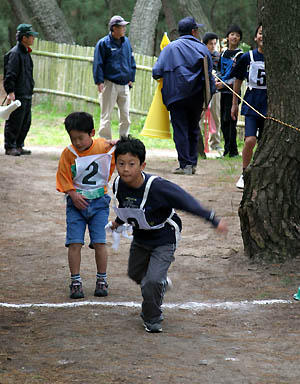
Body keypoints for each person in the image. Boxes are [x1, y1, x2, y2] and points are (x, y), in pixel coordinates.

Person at [110, 135, 228, 333]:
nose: (126, 169)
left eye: (132, 164)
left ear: (143, 165)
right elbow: (128, 207)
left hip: (164, 237)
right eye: (121, 163)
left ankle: (152, 318)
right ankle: (160, 284)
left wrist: (212, 219)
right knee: (135, 274)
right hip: (141, 237)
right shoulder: (118, 185)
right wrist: (117, 223)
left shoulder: (157, 187)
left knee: (153, 281)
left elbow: (186, 201)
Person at [56, 112, 116, 299]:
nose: (77, 142)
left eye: (81, 138)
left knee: (100, 242)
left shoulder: (104, 147)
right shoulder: (69, 153)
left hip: (99, 203)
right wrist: (72, 194)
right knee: (74, 243)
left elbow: (124, 152)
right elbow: (63, 176)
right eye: (73, 139)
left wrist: (119, 143)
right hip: (76, 205)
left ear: (92, 133)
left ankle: (102, 279)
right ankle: (75, 281)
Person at [152, 16, 215, 175]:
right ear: (193, 31)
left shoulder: (170, 48)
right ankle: (192, 164)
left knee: (180, 129)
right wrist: (209, 96)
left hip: (175, 96)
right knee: (193, 128)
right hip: (196, 97)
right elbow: (209, 77)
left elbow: (156, 72)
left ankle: (185, 164)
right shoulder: (202, 49)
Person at [231, 23, 266, 190]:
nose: (262, 37)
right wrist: (234, 104)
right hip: (252, 103)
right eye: (260, 33)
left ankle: (263, 175)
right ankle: (245, 174)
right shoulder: (248, 57)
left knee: (265, 142)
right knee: (250, 140)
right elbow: (237, 79)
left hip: (270, 106)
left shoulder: (276, 59)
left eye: (266, 34)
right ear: (255, 37)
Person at [93, 15, 136, 140]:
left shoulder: (126, 42)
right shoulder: (103, 44)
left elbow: (131, 60)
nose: (124, 29)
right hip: (109, 83)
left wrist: (131, 78)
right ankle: (105, 141)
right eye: (122, 26)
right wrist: (99, 82)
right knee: (106, 115)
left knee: (125, 115)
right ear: (114, 28)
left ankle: (124, 139)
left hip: (124, 85)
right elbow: (98, 63)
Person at [3, 24, 38, 156]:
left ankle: (18, 145)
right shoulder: (15, 54)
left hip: (26, 93)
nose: (33, 39)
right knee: (14, 121)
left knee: (25, 121)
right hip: (17, 94)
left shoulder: (26, 53)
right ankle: (10, 146)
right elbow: (10, 75)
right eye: (31, 36)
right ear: (24, 38)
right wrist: (10, 92)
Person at [216, 24, 243, 157]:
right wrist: (217, 81)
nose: (234, 37)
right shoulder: (223, 53)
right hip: (223, 92)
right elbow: (220, 70)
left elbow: (238, 75)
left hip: (233, 92)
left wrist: (225, 84)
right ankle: (226, 149)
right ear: (228, 36)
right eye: (232, 34)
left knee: (231, 121)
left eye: (237, 35)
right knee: (224, 121)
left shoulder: (240, 55)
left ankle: (233, 151)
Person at [201, 32, 222, 151]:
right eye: (210, 44)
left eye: (215, 43)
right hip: (202, 89)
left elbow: (222, 71)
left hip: (216, 90)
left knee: (215, 115)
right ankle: (199, 142)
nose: (213, 46)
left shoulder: (219, 57)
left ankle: (215, 142)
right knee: (200, 115)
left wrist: (217, 78)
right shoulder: (201, 55)